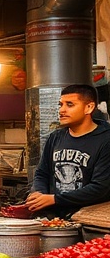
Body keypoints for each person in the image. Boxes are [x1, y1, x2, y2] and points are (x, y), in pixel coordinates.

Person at [26, 83, 110, 217]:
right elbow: (42, 173)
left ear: (89, 107)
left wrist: (54, 199)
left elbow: (100, 188)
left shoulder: (106, 139)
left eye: (70, 105)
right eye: (61, 105)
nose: (61, 110)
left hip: (89, 221)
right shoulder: (56, 137)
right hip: (54, 219)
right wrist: (39, 194)